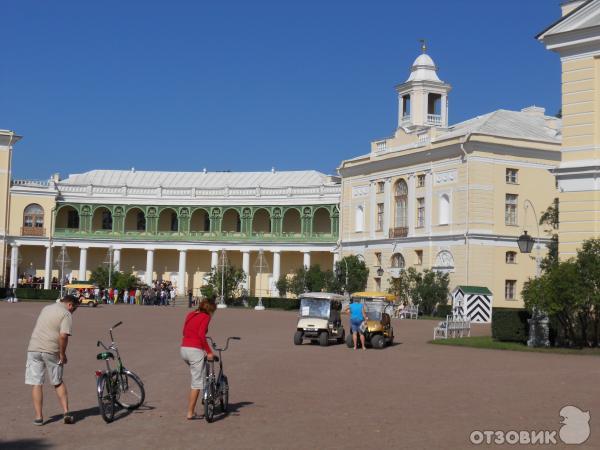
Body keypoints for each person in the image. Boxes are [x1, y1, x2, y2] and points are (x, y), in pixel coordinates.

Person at [25, 295, 79, 425]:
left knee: (36, 383)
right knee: (57, 382)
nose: (73, 312)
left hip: (34, 348)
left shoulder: (46, 308)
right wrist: (62, 354)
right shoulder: (66, 314)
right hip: (51, 350)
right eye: (74, 309)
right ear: (70, 305)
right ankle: (66, 412)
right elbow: (63, 336)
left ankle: (38, 417)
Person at [180, 297, 217, 420]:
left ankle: (205, 391)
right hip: (195, 350)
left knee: (198, 373)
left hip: (184, 349)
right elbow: (201, 335)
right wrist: (209, 351)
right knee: (196, 382)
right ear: (210, 309)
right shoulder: (206, 317)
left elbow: (184, 331)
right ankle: (190, 412)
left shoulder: (191, 314)